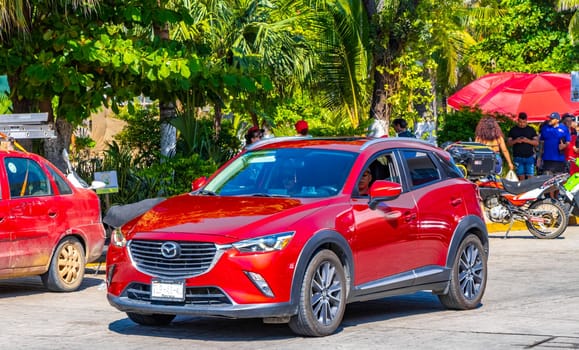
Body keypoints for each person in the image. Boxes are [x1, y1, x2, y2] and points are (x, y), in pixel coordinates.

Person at [507, 112, 539, 180]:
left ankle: (529, 189)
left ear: (526, 121)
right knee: (521, 176)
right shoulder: (513, 130)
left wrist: (527, 141)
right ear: (517, 120)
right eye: (520, 122)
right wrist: (516, 141)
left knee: (530, 175)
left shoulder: (531, 130)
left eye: (524, 122)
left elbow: (536, 143)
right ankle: (522, 190)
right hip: (518, 157)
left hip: (529, 156)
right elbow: (508, 143)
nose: (522, 124)